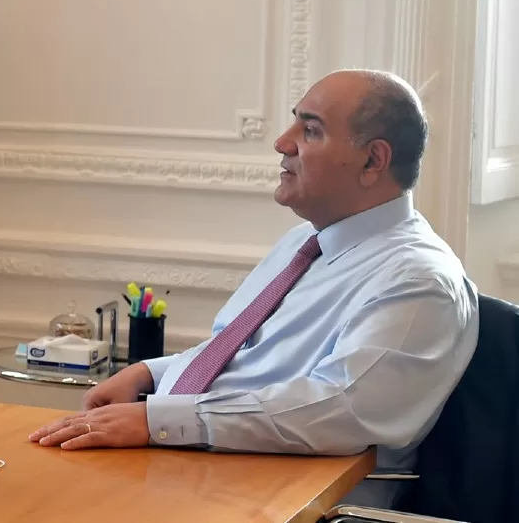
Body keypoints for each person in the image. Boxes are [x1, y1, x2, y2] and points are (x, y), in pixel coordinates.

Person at [29, 70, 478, 506]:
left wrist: (155, 421)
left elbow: (340, 409)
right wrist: (151, 374)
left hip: (290, 499)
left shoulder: (418, 279)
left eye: (311, 130)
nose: (283, 143)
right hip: (208, 470)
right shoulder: (304, 243)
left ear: (373, 160)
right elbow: (242, 353)